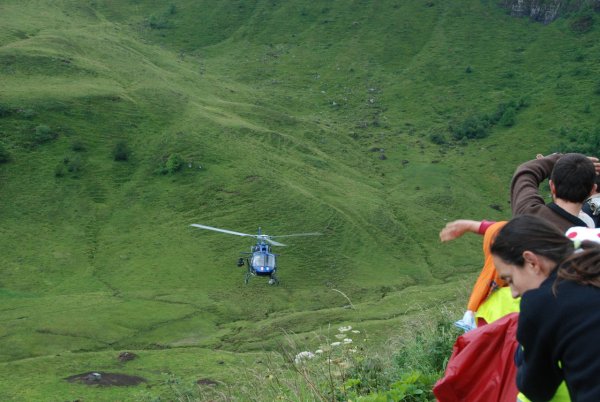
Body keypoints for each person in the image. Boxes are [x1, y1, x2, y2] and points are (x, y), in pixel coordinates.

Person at [491, 215, 600, 401]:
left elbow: (538, 389)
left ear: (532, 261)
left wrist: (524, 354)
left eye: (510, 279)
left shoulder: (543, 301)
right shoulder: (591, 263)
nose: (514, 293)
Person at [510, 153, 598, 232]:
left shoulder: (528, 213)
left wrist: (561, 159)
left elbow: (525, 172)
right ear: (592, 190)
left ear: (552, 186)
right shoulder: (589, 241)